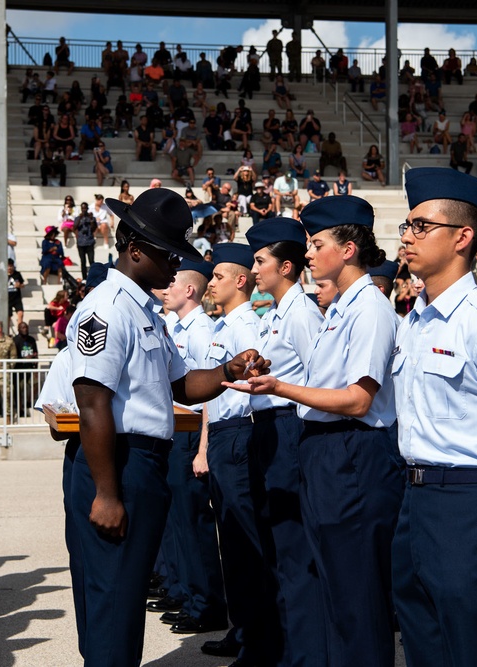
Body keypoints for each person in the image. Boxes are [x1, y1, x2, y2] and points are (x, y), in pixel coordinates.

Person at [68, 188, 267, 666]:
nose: (175, 269)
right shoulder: (107, 308)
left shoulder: (144, 313)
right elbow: (92, 403)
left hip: (141, 463)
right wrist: (107, 493)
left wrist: (226, 373)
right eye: (168, 255)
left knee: (125, 596)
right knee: (112, 599)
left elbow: (181, 384)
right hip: (116, 462)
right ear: (135, 249)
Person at [226, 195, 403, 667]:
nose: (307, 253)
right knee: (335, 585)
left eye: (317, 242)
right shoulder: (344, 308)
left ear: (347, 249)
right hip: (326, 447)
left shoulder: (368, 308)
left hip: (352, 449)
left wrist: (281, 385)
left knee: (357, 596)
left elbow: (358, 398)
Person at [392, 167, 477, 667]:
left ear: (464, 237)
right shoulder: (415, 319)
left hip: (472, 501)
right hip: (416, 496)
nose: (407, 236)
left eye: (421, 226)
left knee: (472, 643)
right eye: (406, 225)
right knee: (422, 634)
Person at [244, 219, 328, 665]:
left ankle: (306, 656)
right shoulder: (276, 313)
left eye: (261, 261)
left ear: (287, 266)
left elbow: (320, 377)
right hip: (268, 429)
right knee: (277, 548)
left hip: (289, 427)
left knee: (294, 550)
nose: (254, 269)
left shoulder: (300, 313)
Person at [199, 242, 280, 665]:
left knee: (247, 542)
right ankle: (243, 628)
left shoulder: (245, 325)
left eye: (217, 277)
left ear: (241, 280)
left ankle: (259, 640)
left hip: (239, 434)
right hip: (223, 433)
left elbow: (255, 386)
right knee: (231, 540)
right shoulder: (223, 324)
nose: (210, 284)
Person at [154, 259, 227, 636]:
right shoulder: (177, 326)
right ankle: (185, 592)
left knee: (193, 521)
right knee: (178, 519)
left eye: (173, 283)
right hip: (174, 430)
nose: (166, 289)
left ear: (190, 291)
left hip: (190, 432)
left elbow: (208, 397)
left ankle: (207, 604)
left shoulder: (201, 330)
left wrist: (202, 449)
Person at [74, 203, 98, 280]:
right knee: (83, 262)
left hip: (89, 241)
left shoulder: (91, 218)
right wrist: (80, 218)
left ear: (87, 208)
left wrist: (91, 220)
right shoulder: (78, 218)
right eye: (82, 208)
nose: (84, 210)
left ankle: (93, 277)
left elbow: (93, 228)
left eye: (85, 208)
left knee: (91, 261)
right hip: (81, 243)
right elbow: (74, 227)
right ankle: (84, 278)